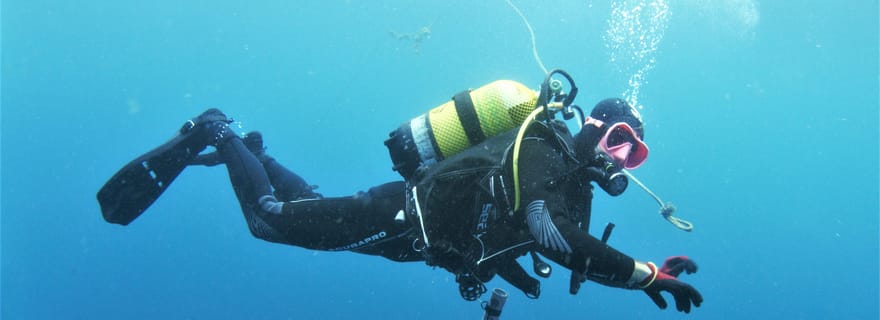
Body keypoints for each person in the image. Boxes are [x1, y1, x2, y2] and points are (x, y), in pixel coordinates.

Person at [99, 83, 702, 313]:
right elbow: (551, 234)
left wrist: (495, 272)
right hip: (400, 217)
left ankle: (256, 152)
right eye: (618, 141)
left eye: (635, 155)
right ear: (592, 128)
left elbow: (524, 231)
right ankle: (219, 130)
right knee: (269, 221)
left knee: (310, 200)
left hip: (411, 237)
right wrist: (644, 275)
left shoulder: (568, 181)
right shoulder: (546, 147)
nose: (621, 159)